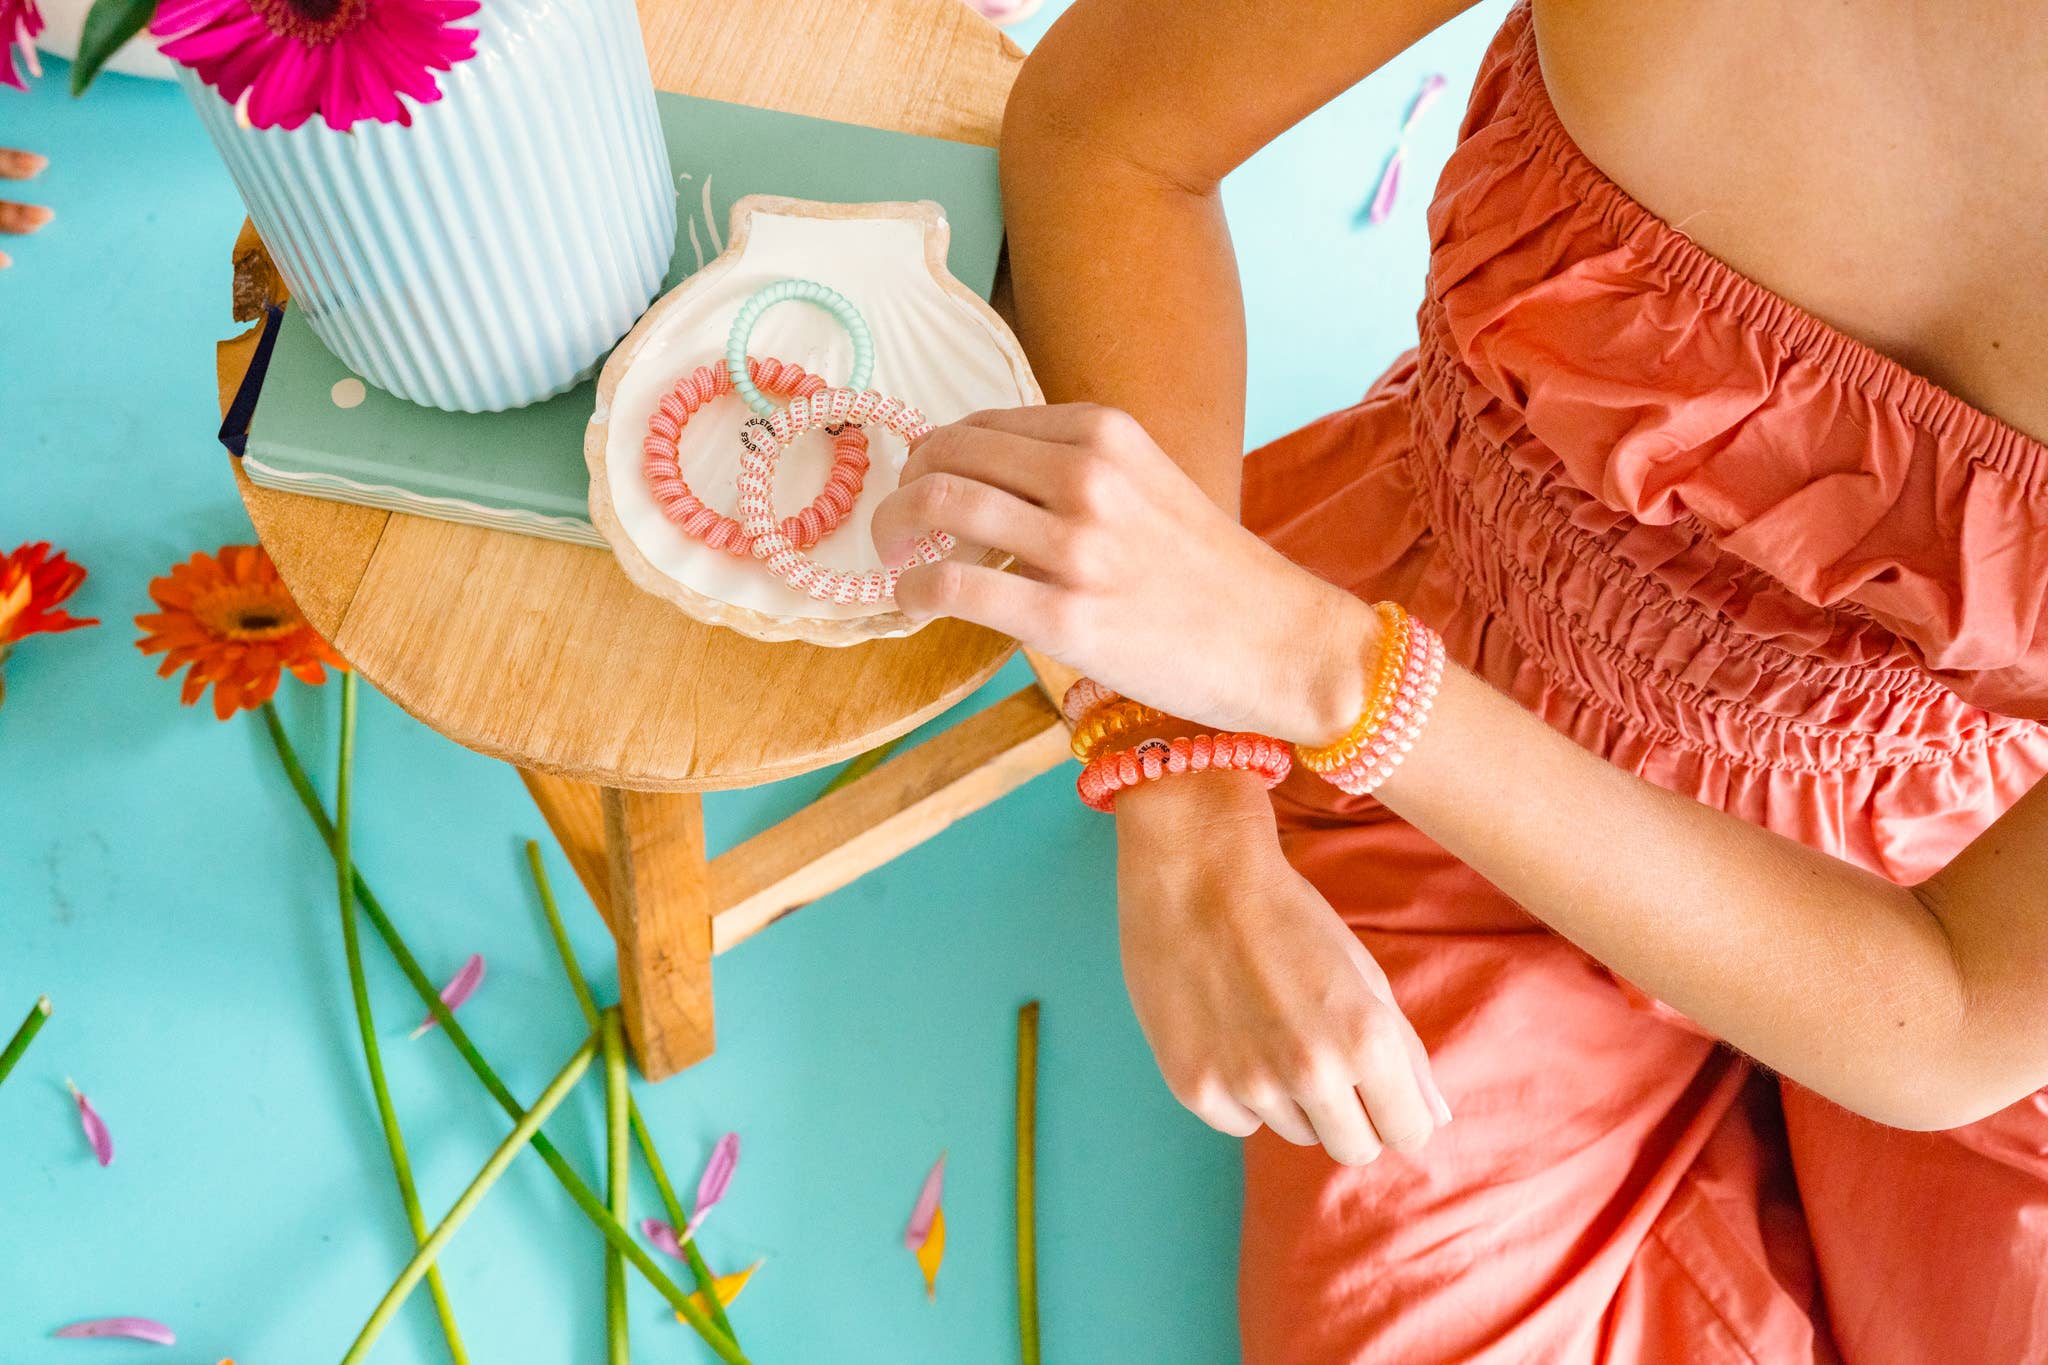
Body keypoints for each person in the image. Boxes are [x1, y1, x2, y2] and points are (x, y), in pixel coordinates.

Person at [867, 0, 2048, 1360]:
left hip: (1960, 890)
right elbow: (1113, 135)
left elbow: (1957, 1012)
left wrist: (1330, 671)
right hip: (1443, 738)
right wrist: (1187, 792)